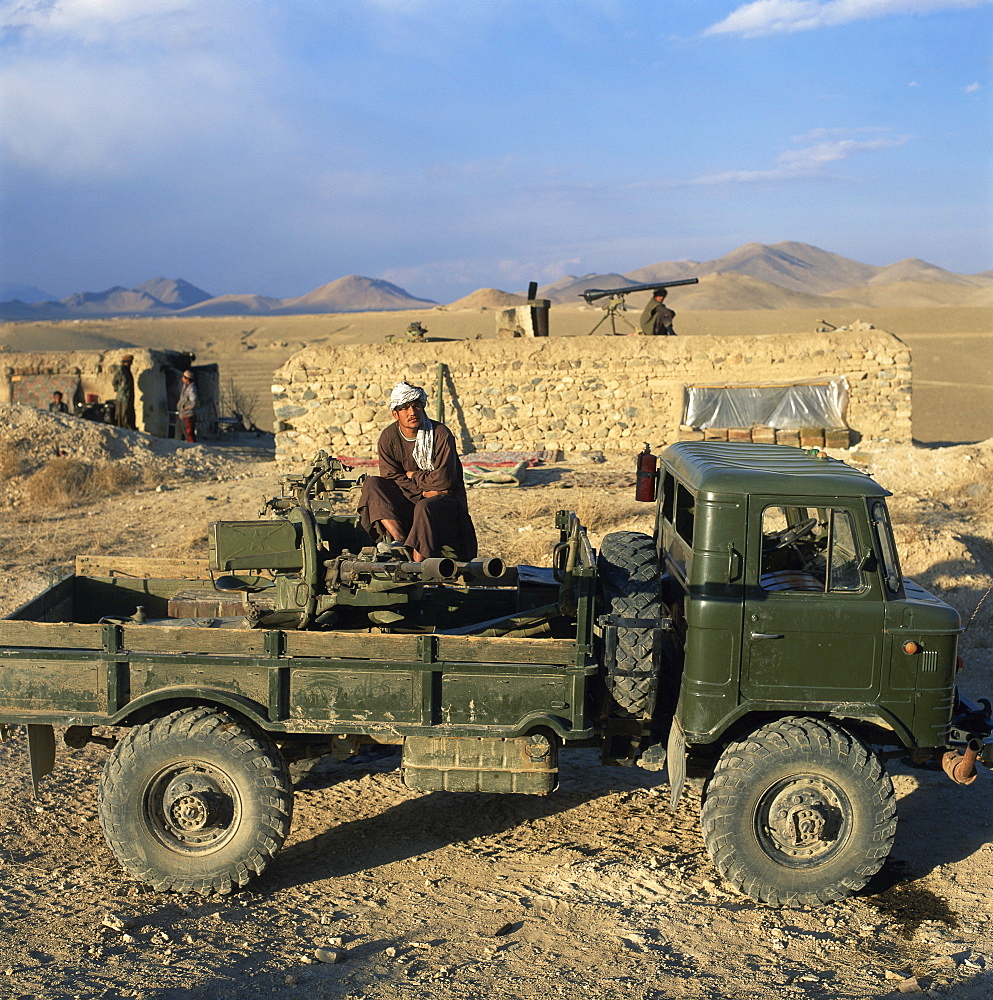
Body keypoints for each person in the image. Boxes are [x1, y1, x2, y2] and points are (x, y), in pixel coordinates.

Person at [358, 381, 477, 562]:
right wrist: (423, 491)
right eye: (405, 408)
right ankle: (400, 541)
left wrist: (414, 475)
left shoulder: (441, 434)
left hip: (447, 501)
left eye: (416, 406)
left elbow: (444, 481)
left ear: (422, 408)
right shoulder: (388, 437)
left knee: (424, 507)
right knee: (372, 484)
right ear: (395, 414)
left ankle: (416, 566)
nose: (412, 412)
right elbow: (391, 477)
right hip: (413, 496)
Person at [112, 355, 137, 430]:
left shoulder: (127, 370)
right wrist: (118, 389)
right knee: (123, 413)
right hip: (123, 396)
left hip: (127, 395)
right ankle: (124, 427)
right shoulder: (121, 370)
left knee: (128, 412)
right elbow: (114, 381)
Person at [177, 369, 199, 443]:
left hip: (188, 415)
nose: (182, 378)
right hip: (182, 415)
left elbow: (193, 402)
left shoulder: (192, 389)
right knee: (179, 435)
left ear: (187, 379)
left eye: (183, 377)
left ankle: (193, 449)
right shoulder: (185, 387)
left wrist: (186, 407)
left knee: (189, 435)